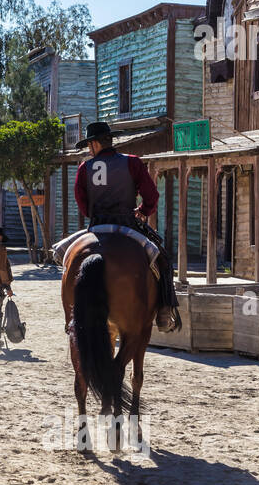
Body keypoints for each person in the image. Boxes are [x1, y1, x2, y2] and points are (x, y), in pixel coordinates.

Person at [73, 121, 180, 330]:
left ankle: (72, 314)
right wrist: (143, 211)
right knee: (163, 258)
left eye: (89, 145)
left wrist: (93, 214)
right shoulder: (131, 162)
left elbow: (81, 202)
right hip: (127, 224)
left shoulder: (84, 168)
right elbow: (152, 195)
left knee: (65, 255)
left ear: (94, 144)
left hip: (96, 226)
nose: (89, 149)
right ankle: (165, 312)